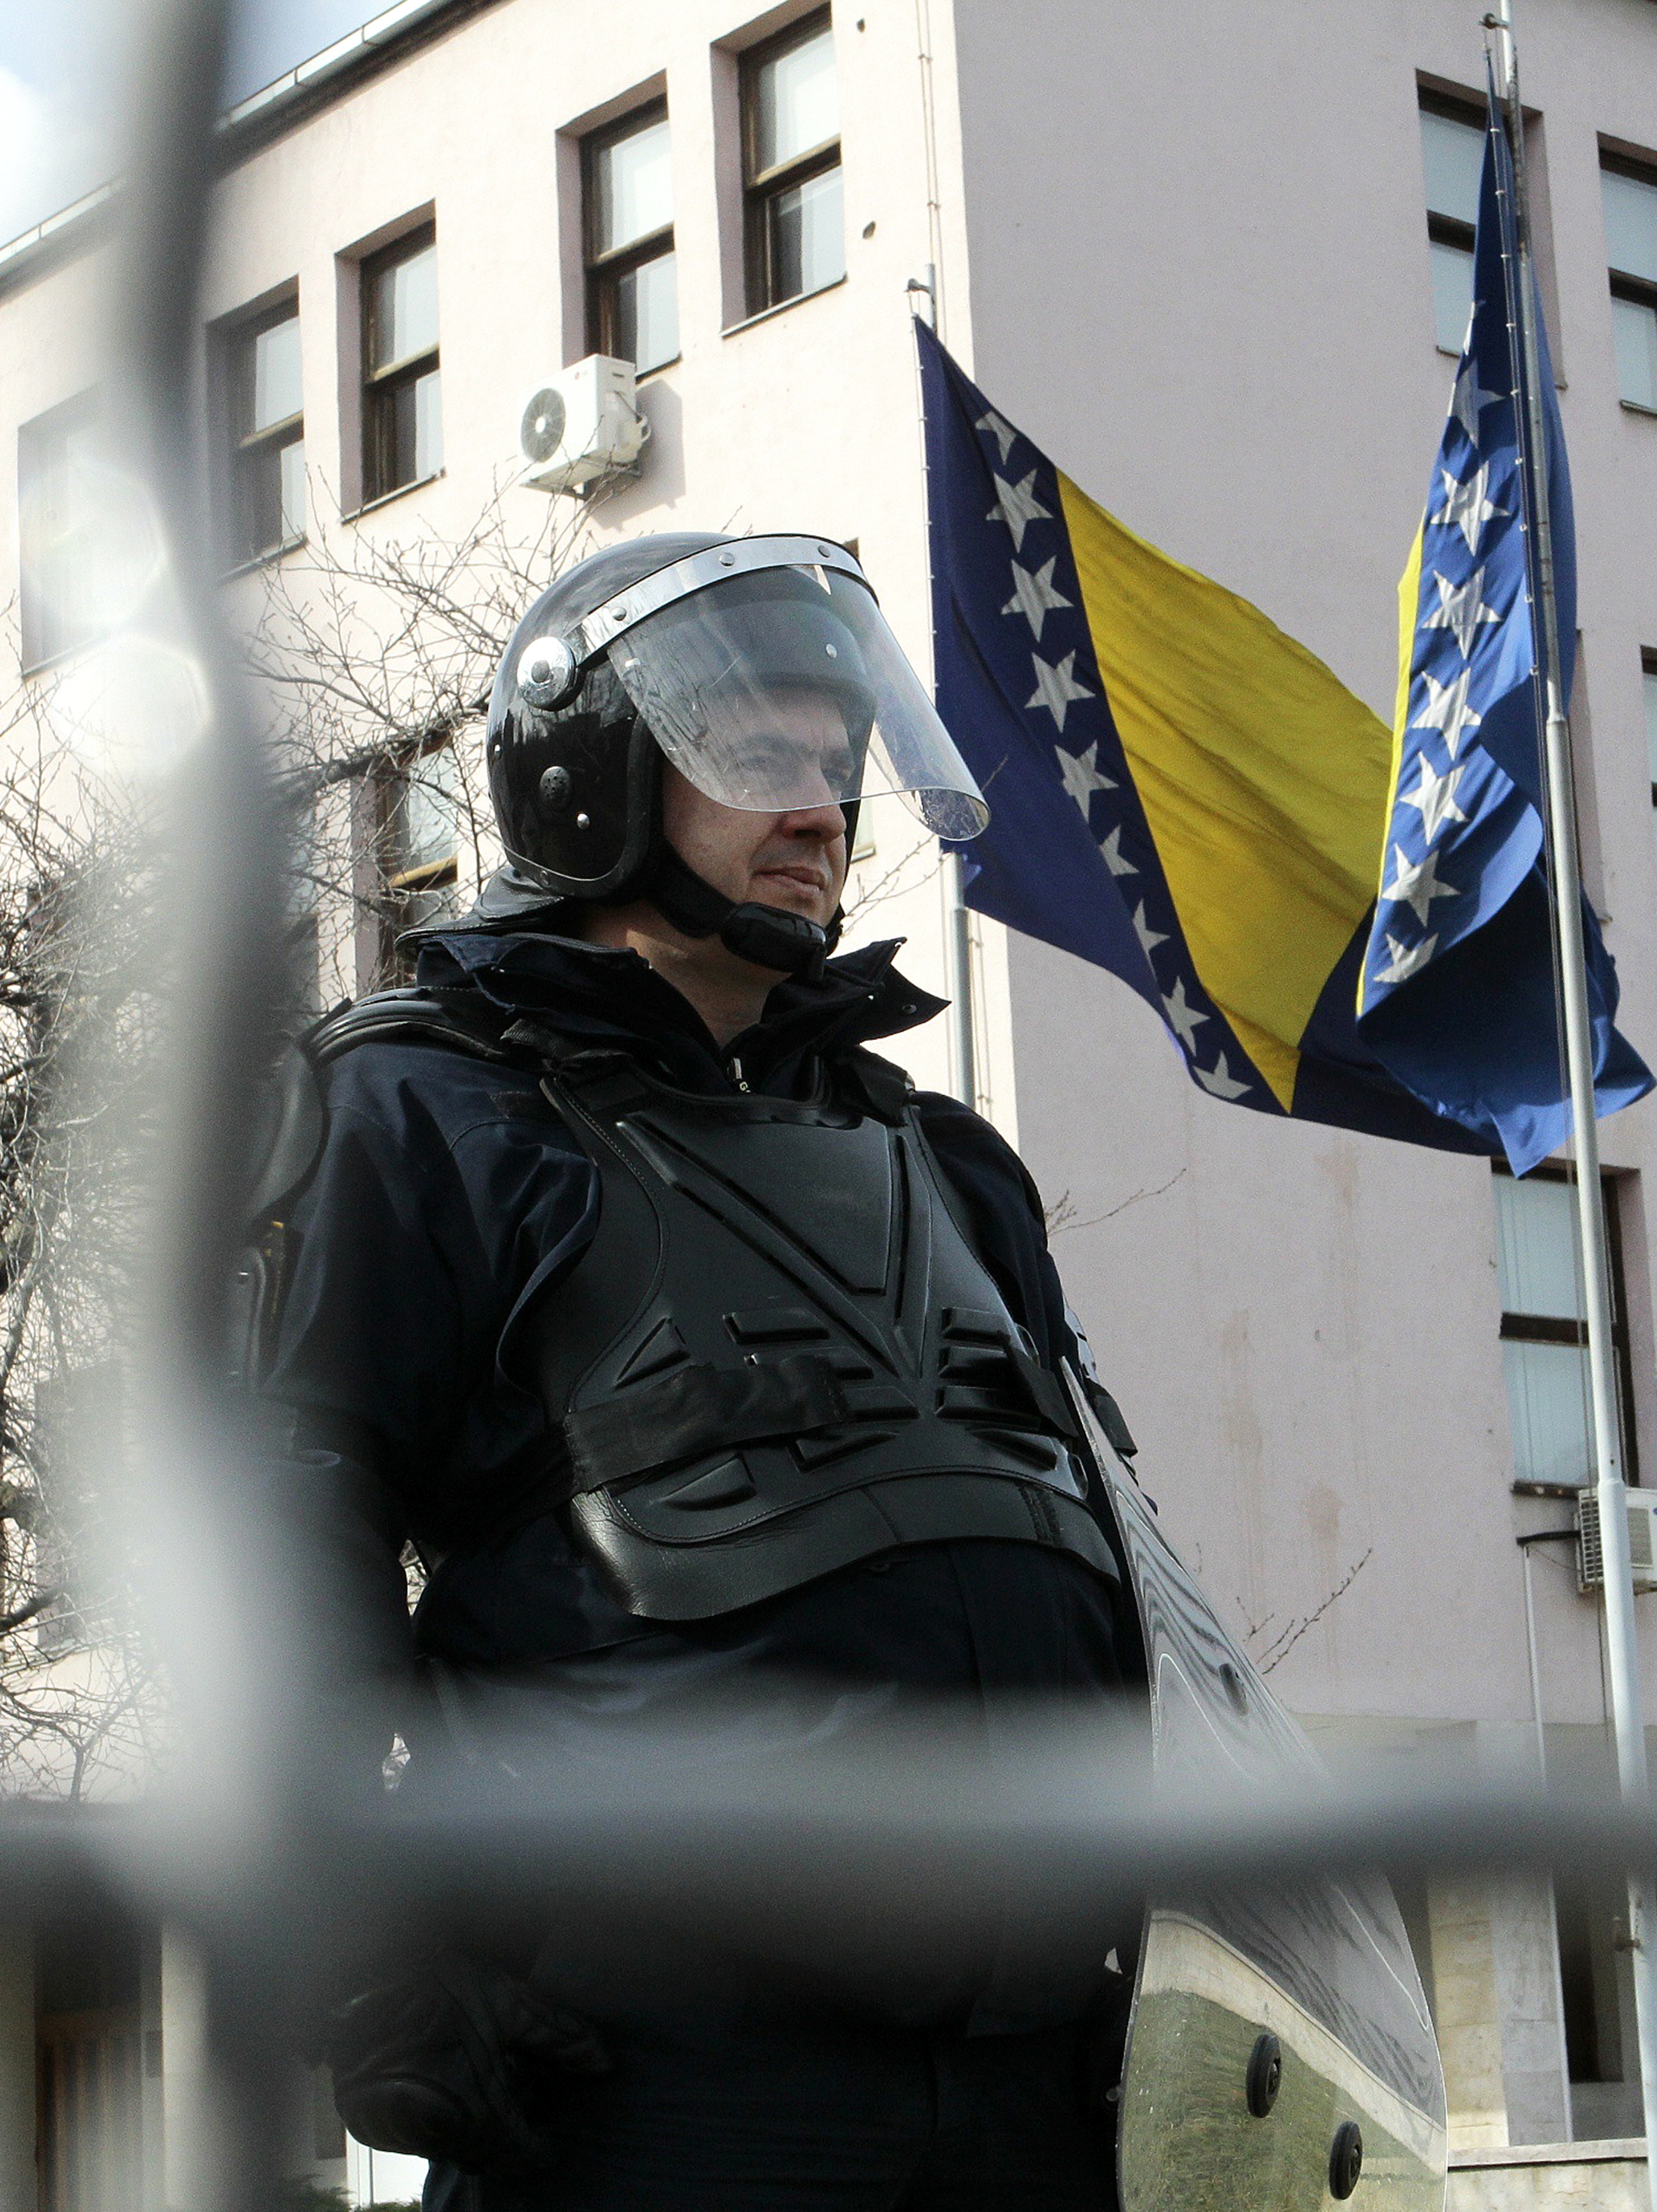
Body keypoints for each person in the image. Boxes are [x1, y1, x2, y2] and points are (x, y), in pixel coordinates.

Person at [249, 533, 1139, 2210]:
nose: (819, 807)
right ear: (588, 779)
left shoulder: (945, 1163)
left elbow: (1120, 1566)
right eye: (755, 755)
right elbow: (285, 1551)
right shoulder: (414, 1111)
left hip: (1033, 2082)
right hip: (662, 2084)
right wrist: (359, 1947)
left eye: (832, 757)